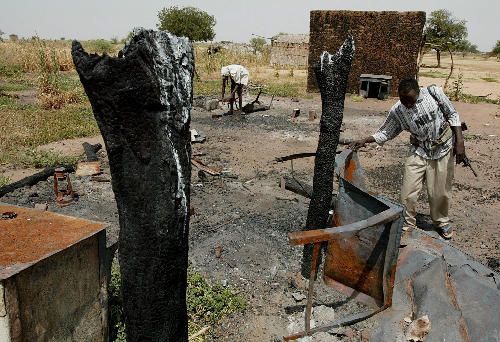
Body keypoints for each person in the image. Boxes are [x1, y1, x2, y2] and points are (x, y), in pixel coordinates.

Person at [349, 78, 465, 239]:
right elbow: (385, 132)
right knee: (408, 191)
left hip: (442, 148)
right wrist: (364, 140)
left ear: (418, 92)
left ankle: (441, 222)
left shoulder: (434, 94)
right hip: (419, 150)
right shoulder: (398, 110)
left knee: (439, 192)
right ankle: (407, 223)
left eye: (411, 101)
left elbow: (453, 115)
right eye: (404, 101)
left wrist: (460, 142)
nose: (408, 105)